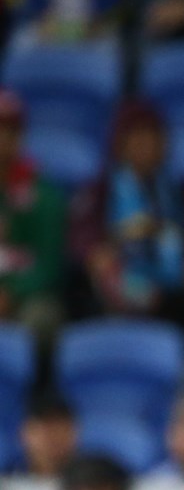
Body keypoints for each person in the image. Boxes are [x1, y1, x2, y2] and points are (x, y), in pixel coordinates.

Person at [66, 98, 184, 352]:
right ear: (120, 144)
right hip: (119, 285)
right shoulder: (101, 192)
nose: (145, 146)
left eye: (151, 138)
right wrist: (95, 254)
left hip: (172, 289)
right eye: (136, 139)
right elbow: (82, 234)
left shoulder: (182, 192)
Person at [0, 88, 66, 371]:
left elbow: (49, 264)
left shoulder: (43, 194)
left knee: (40, 317)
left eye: (9, 131)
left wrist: (10, 293)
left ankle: (28, 399)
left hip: (28, 297)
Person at [11, 391, 78, 480]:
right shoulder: (7, 481)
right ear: (25, 433)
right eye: (45, 430)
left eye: (60, 429)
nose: (54, 438)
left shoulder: (92, 482)